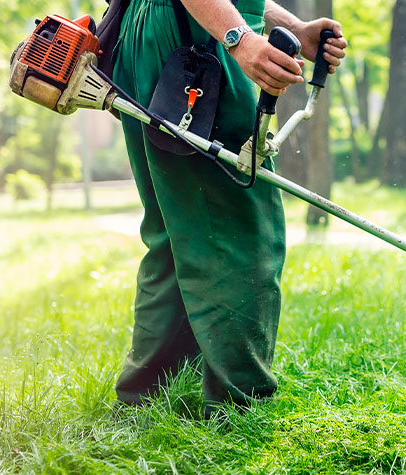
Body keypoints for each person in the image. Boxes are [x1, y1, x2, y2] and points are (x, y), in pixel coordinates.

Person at [112, 0, 347, 417]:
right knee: (239, 227)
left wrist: (292, 26)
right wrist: (241, 40)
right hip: (195, 38)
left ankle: (147, 395)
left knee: (178, 230)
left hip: (154, 35)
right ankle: (239, 404)